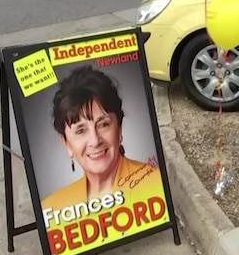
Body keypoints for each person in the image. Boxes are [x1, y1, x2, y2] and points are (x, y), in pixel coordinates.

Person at [41, 65, 163, 212]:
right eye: (80, 131)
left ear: (119, 129)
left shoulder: (156, 184)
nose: (95, 140)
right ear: (66, 143)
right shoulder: (52, 209)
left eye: (103, 124)